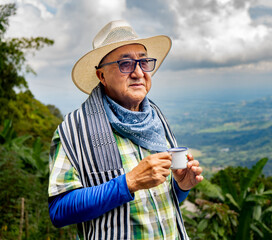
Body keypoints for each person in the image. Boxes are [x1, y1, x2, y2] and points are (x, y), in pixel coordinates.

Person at [48, 20, 203, 240]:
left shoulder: (155, 118)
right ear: (101, 76)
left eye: (144, 62)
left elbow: (159, 203)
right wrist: (128, 183)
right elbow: (58, 210)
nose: (139, 73)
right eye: (125, 64)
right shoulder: (74, 129)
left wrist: (182, 186)